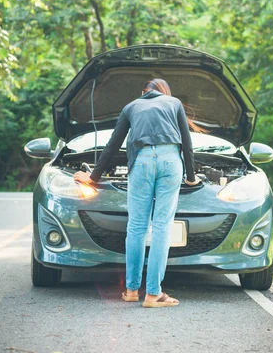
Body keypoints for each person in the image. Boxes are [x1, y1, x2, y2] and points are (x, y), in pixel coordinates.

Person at [73, 77, 202, 308]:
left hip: (141, 162)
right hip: (171, 162)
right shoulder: (174, 103)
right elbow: (187, 142)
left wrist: (93, 177)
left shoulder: (131, 106)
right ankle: (154, 294)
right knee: (162, 226)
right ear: (164, 91)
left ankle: (132, 290)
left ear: (143, 92)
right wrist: (191, 178)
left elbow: (113, 145)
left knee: (137, 227)